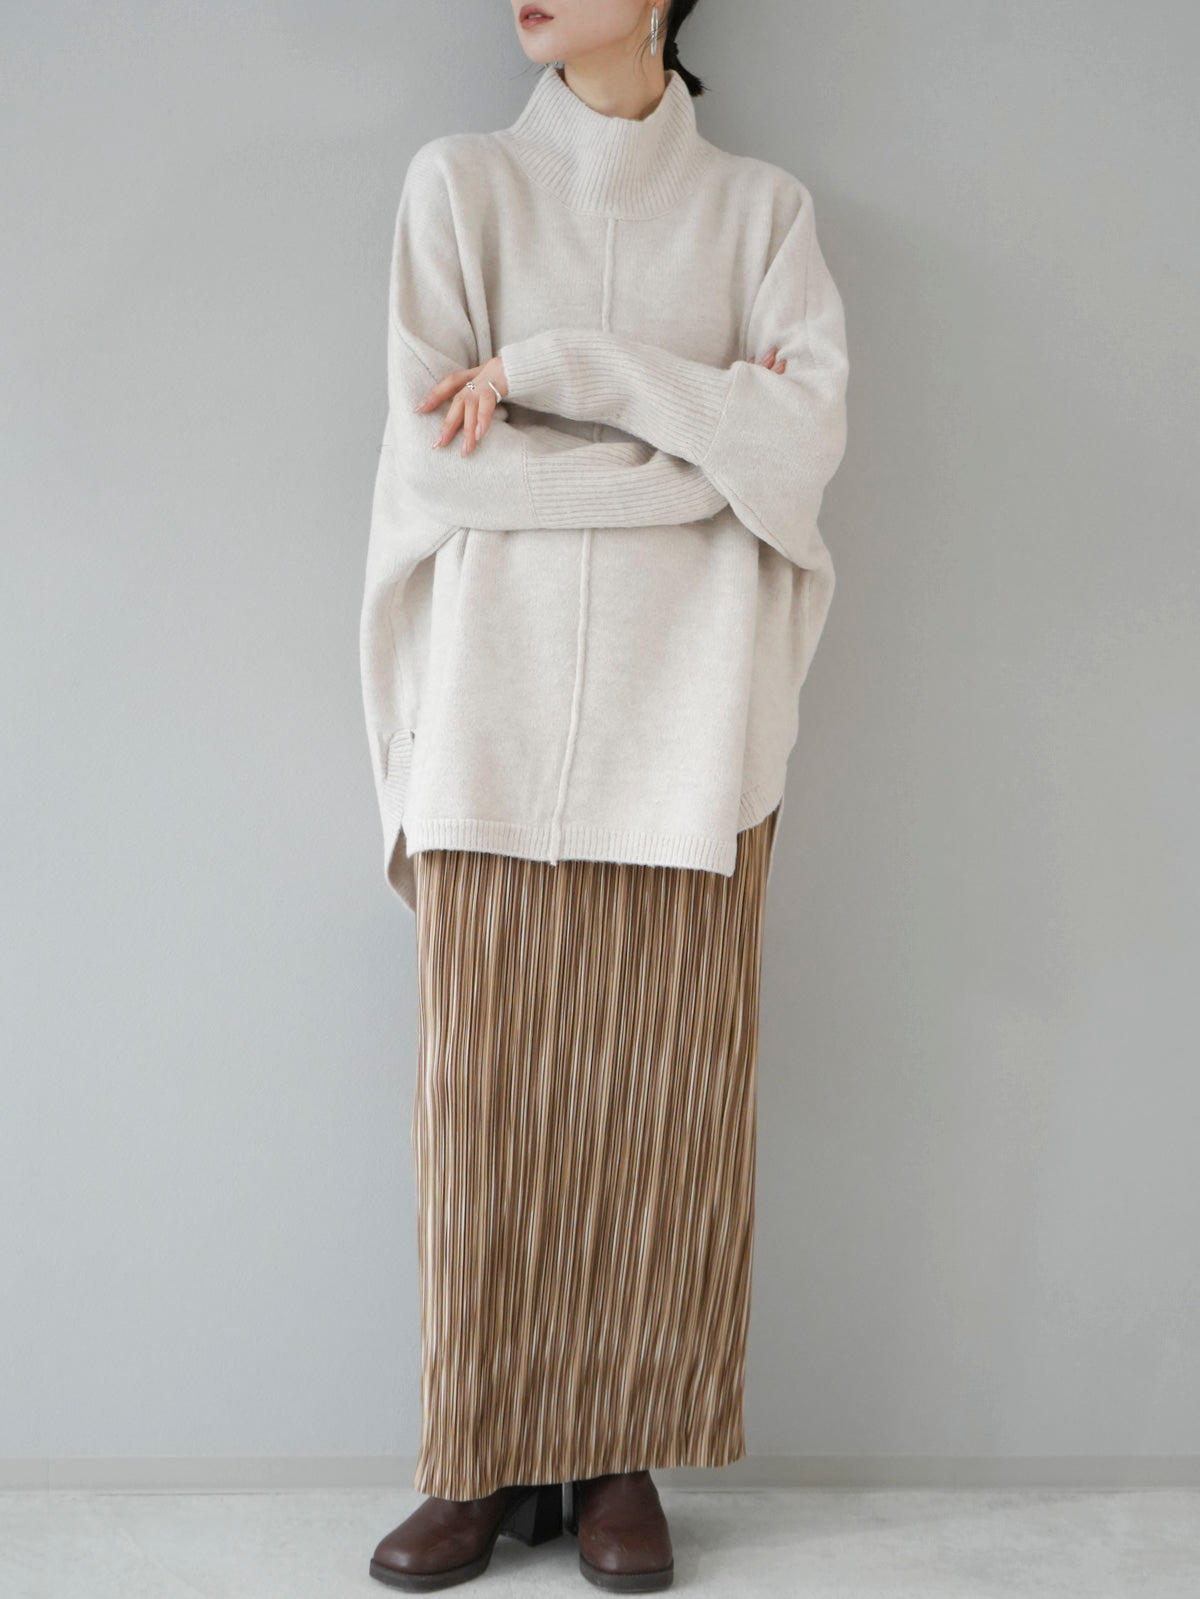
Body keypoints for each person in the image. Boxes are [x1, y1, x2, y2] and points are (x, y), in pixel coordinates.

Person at [361, 1, 849, 1589]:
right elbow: (438, 466)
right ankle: (483, 1457)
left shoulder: (760, 214)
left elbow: (802, 451)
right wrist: (701, 461)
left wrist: (569, 374)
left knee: (659, 1108)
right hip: (491, 726)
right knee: (486, 1115)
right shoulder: (460, 188)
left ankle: (618, 1454)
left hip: (687, 734)